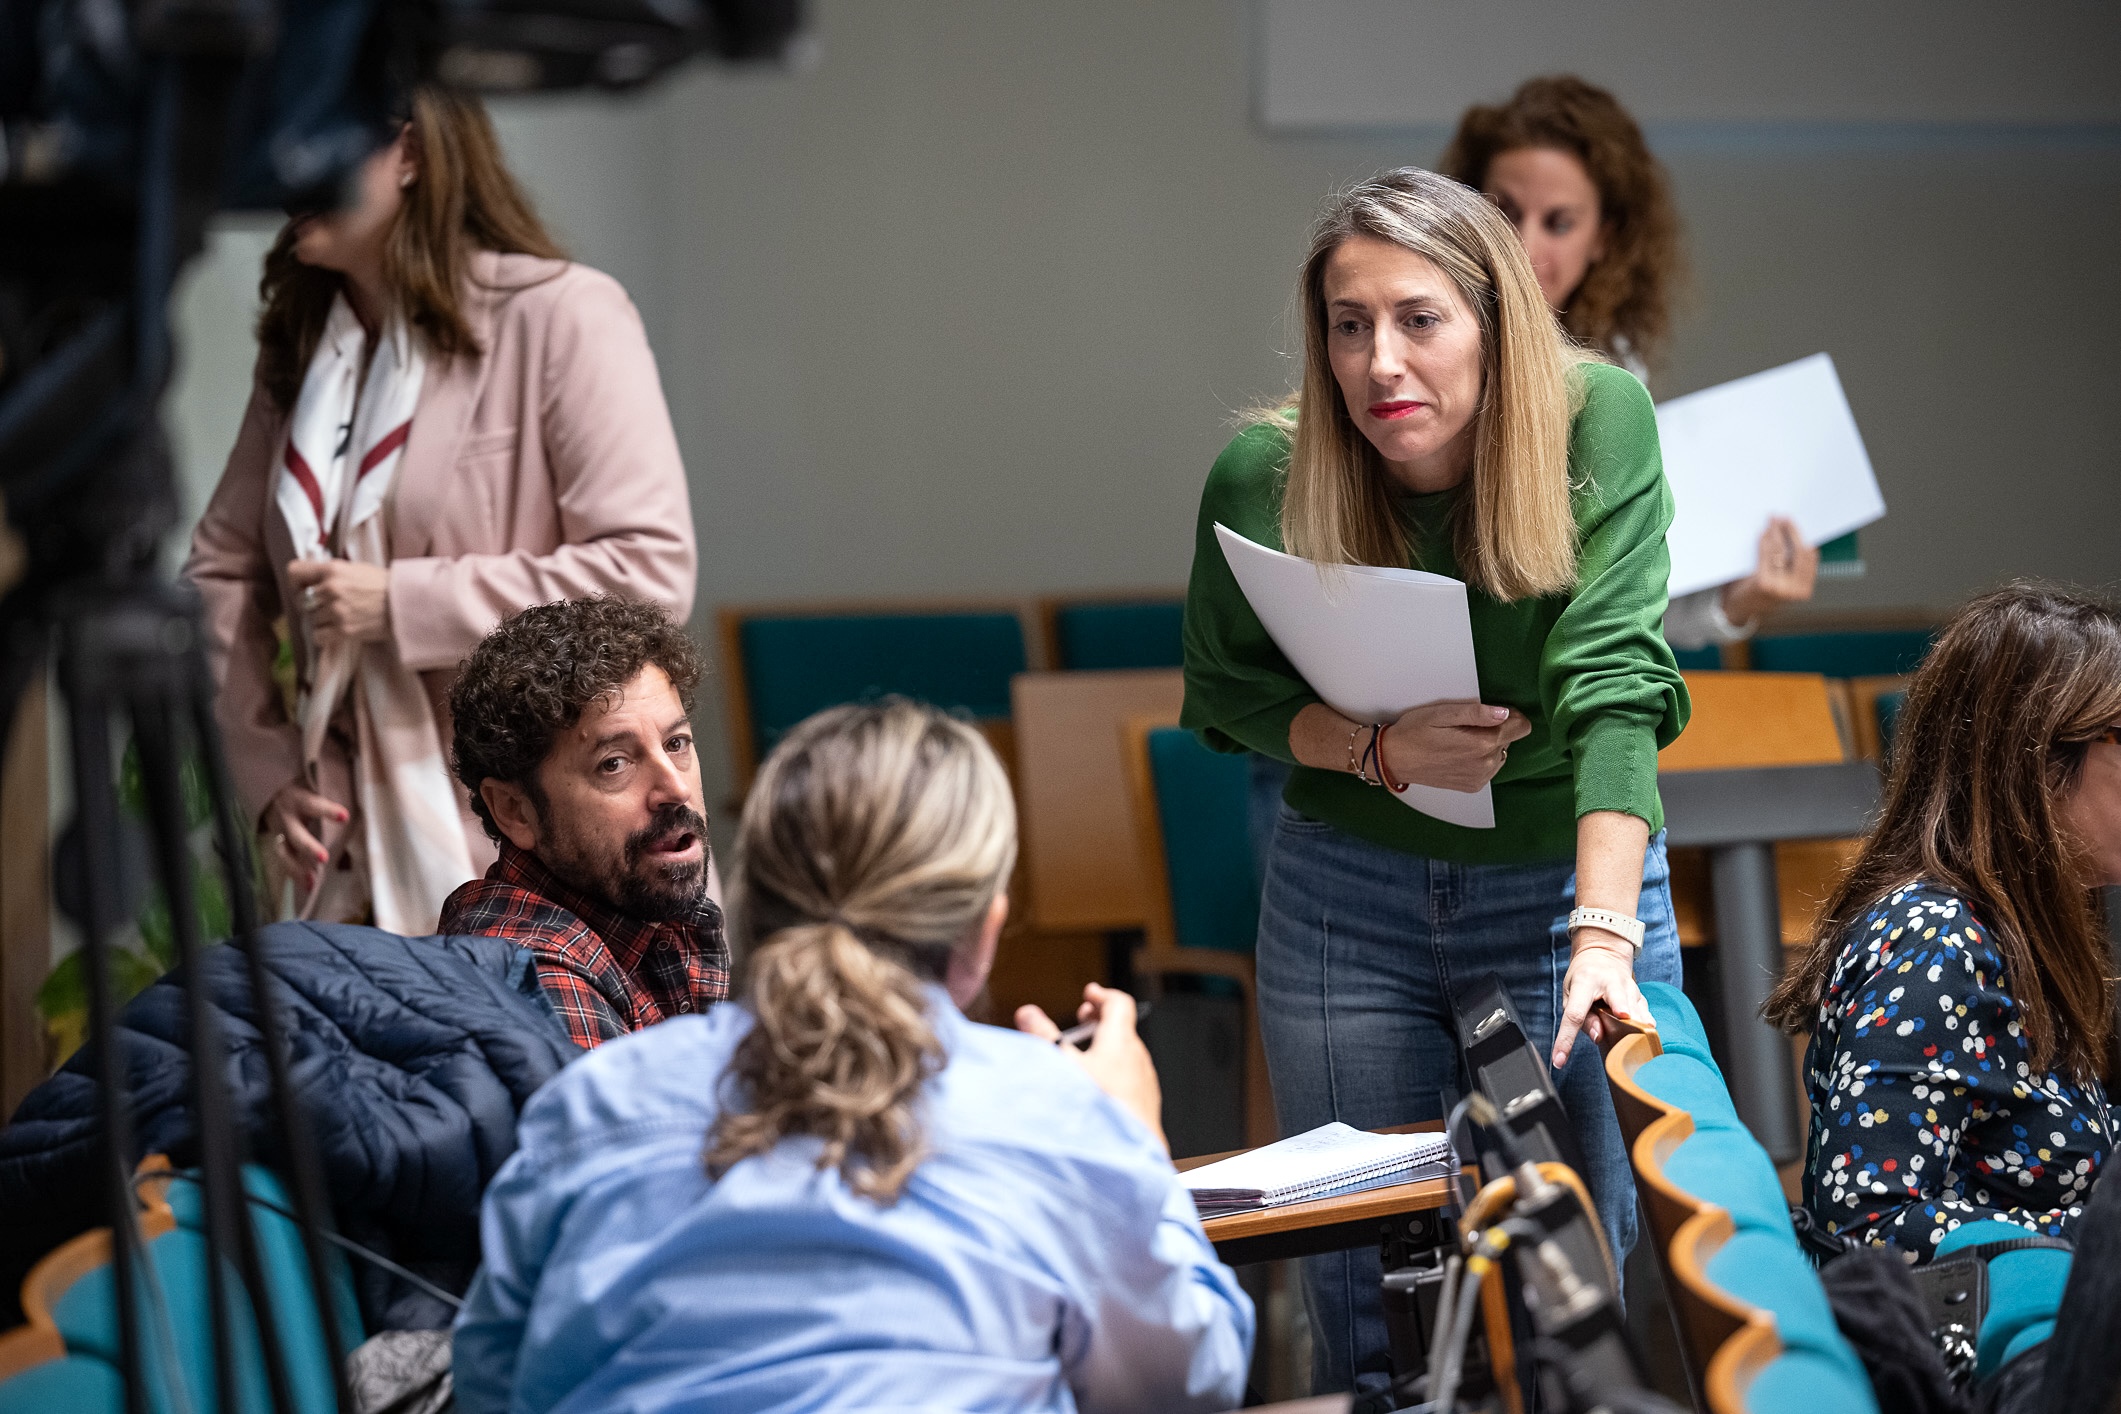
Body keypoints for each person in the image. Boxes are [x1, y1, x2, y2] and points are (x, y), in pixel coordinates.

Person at [1182, 166, 1686, 1392]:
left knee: (1572, 1303)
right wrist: (1372, 748)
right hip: (1344, 901)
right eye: (1348, 326)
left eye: (1418, 318)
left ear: (1496, 322)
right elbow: (1223, 696)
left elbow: (1620, 684)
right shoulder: (1265, 470)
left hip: (1565, 890)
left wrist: (1607, 928)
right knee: (1372, 1308)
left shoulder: (1596, 418)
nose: (1379, 363)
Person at [451, 698, 1254, 1414]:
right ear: (983, 928)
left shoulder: (595, 1100)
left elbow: (494, 1379)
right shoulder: (1046, 1105)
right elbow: (1186, 1380)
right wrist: (1132, 1138)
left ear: (758, 897)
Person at [186, 86, 697, 935]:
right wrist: (270, 775)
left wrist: (398, 602)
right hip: (344, 858)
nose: (285, 165)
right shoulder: (307, 352)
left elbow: (647, 571)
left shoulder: (562, 314)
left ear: (414, 153)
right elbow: (217, 574)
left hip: (538, 850)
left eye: (317, 134)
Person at [1766, 582, 2121, 1257]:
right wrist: (2096, 1239)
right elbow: (1867, 1228)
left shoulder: (2011, 922)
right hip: (1991, 1346)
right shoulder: (1935, 946)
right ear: (2036, 759)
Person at [1441, 74, 1819, 655]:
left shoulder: (1615, 371)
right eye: (1503, 212)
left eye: (1559, 222)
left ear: (1603, 238)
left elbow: (1613, 607)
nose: (1522, 244)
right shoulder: (1424, 344)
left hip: (1539, 702)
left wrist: (1736, 604)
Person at [441, 596, 728, 1051]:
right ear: (515, 810)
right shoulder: (533, 978)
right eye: (614, 764)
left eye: (676, 743)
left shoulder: (644, 912)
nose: (676, 789)